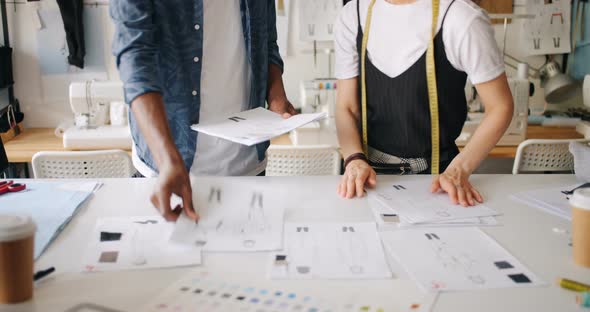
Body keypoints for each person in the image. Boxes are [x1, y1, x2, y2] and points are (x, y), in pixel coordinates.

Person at [110, 1, 295, 221]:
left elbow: (266, 40)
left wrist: (276, 95)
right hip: (168, 169)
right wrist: (167, 159)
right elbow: (134, 61)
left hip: (246, 164)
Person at [334, 0, 514, 206]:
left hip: (440, 179)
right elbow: (346, 107)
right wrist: (353, 159)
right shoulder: (353, 15)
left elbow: (501, 106)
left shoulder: (461, 18)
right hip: (364, 177)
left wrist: (459, 170)